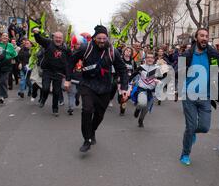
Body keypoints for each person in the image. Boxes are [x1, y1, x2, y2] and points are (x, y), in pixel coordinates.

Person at [65, 25, 129, 153]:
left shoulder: (112, 51)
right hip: (87, 84)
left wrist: (124, 88)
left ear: (107, 38)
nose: (101, 40)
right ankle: (87, 139)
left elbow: (122, 69)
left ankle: (92, 130)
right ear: (94, 38)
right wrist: (68, 79)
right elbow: (71, 61)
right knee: (87, 110)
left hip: (105, 87)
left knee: (99, 114)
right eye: (99, 38)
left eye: (104, 38)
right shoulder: (86, 48)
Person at [179, 28, 219, 166]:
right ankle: (185, 153)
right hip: (189, 95)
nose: (204, 38)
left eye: (206, 36)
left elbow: (217, 71)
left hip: (205, 96)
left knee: (204, 127)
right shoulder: (187, 54)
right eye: (202, 36)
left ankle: (192, 133)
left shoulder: (213, 54)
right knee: (190, 126)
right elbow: (179, 72)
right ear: (196, 37)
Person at [33, 28, 71, 116]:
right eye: (56, 37)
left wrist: (68, 77)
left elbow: (69, 62)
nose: (58, 39)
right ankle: (43, 99)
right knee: (45, 88)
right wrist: (36, 33)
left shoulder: (66, 49)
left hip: (59, 73)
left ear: (62, 39)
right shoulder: (48, 43)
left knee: (56, 92)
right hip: (47, 71)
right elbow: (39, 40)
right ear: (53, 38)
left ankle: (55, 108)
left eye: (60, 38)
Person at [132, 51, 164, 127]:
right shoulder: (141, 67)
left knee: (146, 108)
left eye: (151, 58)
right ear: (145, 59)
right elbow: (133, 75)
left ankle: (141, 120)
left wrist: (159, 81)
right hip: (142, 89)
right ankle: (137, 109)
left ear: (154, 59)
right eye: (148, 57)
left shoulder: (157, 69)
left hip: (152, 91)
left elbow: (162, 77)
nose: (150, 59)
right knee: (142, 103)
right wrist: (126, 83)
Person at [0, 33, 18, 104]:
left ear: (8, 38)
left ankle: (3, 96)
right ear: (1, 37)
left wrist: (11, 55)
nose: (5, 37)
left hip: (7, 66)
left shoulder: (10, 45)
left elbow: (14, 54)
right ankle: (2, 95)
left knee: (3, 81)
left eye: (6, 36)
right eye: (3, 36)